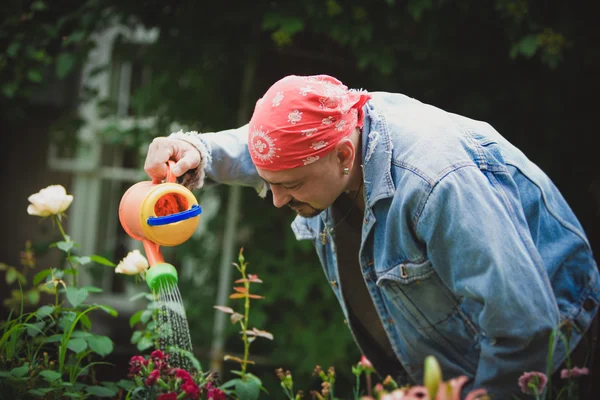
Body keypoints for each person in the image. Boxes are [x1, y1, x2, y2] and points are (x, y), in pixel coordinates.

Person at [143, 74, 600, 398]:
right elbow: (264, 148)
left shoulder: (437, 184)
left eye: (292, 186)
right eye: (271, 183)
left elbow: (522, 328)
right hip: (448, 372)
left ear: (344, 155)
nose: (277, 201)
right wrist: (197, 152)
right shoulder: (328, 132)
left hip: (551, 358)